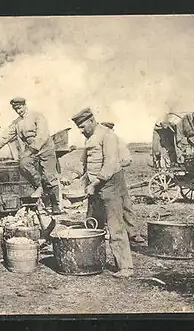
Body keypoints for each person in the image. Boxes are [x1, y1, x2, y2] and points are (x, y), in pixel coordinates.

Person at [72, 108, 133, 278]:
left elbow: (110, 163)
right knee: (92, 223)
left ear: (92, 120)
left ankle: (125, 267)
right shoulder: (90, 138)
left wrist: (94, 184)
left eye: (83, 126)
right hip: (95, 185)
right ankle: (92, 259)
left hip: (109, 184)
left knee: (115, 226)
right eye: (79, 128)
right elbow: (84, 161)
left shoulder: (108, 135)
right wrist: (74, 176)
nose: (81, 130)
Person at [0, 97, 61, 214]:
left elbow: (42, 136)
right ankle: (41, 191)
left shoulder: (37, 116)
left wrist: (30, 150)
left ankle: (55, 204)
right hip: (32, 151)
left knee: (49, 177)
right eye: (16, 109)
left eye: (19, 108)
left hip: (45, 149)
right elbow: (4, 137)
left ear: (24, 105)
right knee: (23, 164)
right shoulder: (17, 123)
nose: (18, 111)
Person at [101, 122, 145, 244]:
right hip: (100, 178)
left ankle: (133, 233)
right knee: (97, 205)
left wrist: (115, 165)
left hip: (116, 177)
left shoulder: (117, 142)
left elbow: (128, 160)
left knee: (125, 204)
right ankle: (97, 232)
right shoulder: (96, 141)